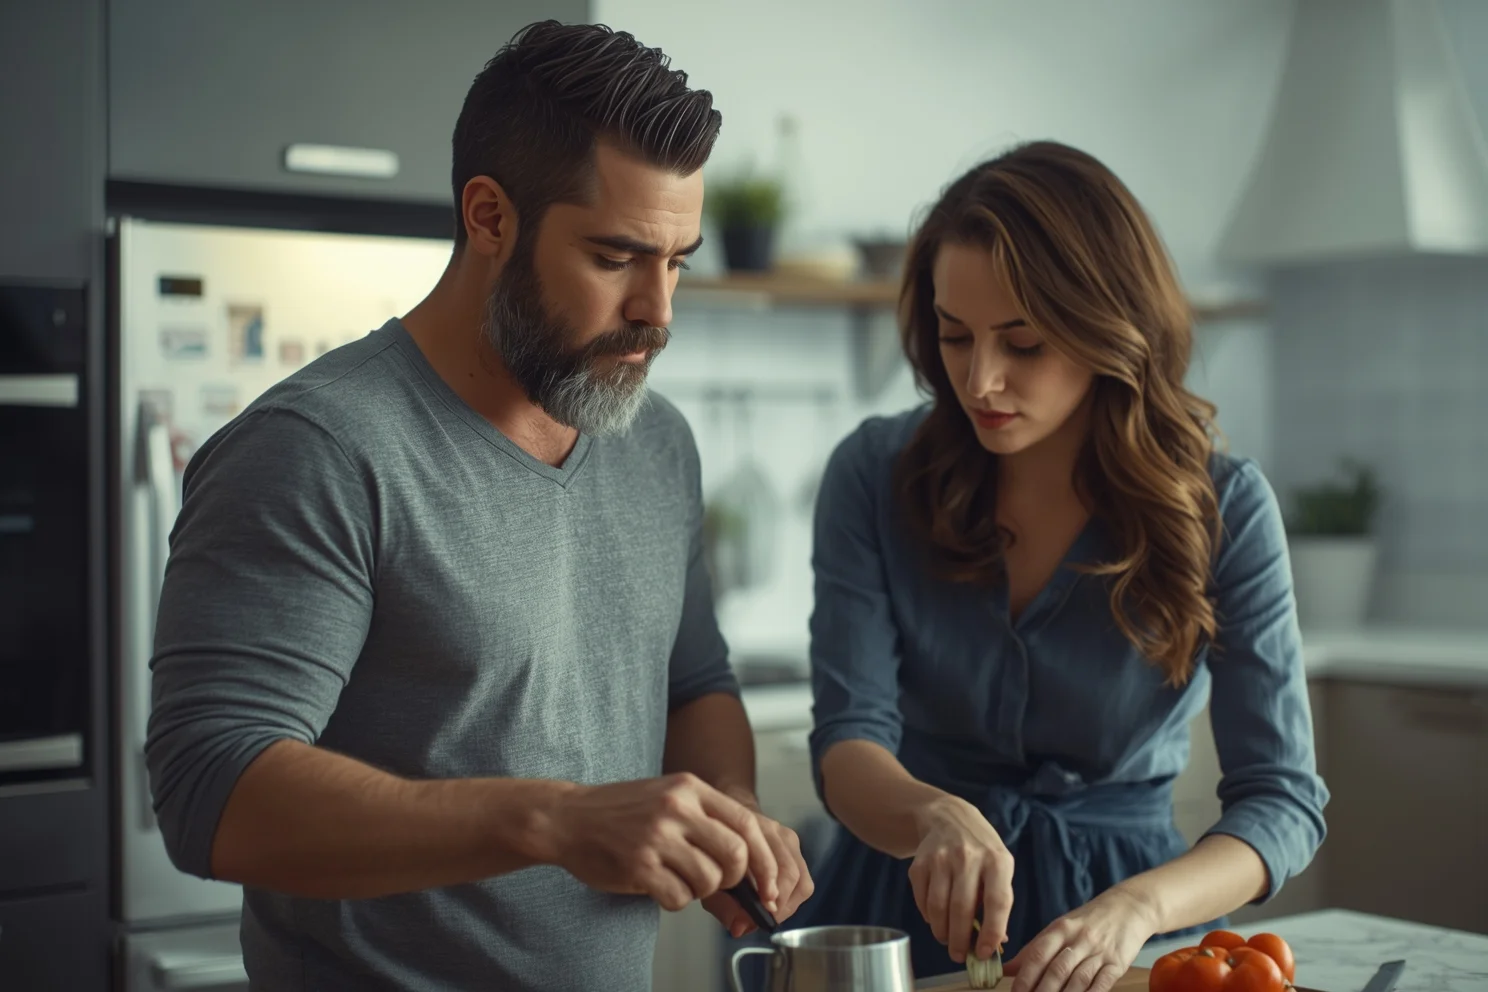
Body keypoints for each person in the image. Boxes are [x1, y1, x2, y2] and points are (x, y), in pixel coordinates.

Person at [145, 20, 812, 992]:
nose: (658, 313)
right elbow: (211, 788)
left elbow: (691, 679)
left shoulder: (653, 438)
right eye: (617, 256)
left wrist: (730, 810)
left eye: (676, 261)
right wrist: (551, 819)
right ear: (489, 216)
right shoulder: (318, 449)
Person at [798, 141, 1327, 990]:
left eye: (1025, 343)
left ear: (1108, 330)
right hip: (902, 917)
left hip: (1136, 932)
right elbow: (847, 739)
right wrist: (934, 815)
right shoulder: (871, 475)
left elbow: (1282, 802)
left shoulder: (1225, 509)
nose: (981, 379)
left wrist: (1141, 909)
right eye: (954, 335)